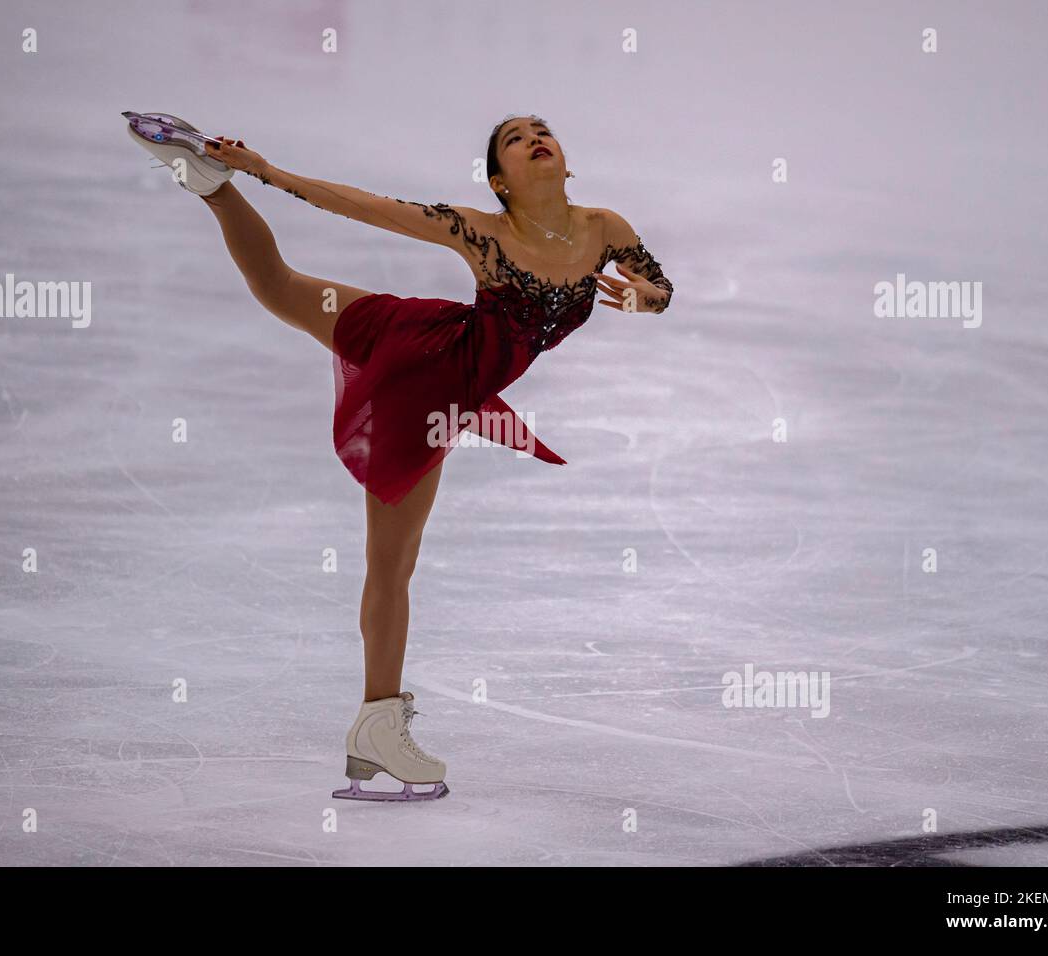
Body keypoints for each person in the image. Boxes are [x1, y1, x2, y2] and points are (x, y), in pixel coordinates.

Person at [124, 111, 673, 800]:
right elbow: (365, 206)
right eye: (513, 139)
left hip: (422, 339)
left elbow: (660, 288)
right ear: (500, 182)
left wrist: (643, 299)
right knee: (392, 564)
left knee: (281, 288)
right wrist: (267, 171)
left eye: (543, 131)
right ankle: (377, 723)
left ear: (566, 162)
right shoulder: (484, 233)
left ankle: (209, 188)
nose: (535, 138)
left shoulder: (605, 230)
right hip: (428, 390)